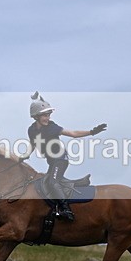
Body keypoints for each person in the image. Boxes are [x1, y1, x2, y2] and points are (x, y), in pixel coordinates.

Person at [27, 92, 106, 221]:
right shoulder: (32, 130)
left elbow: (73, 133)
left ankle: (66, 210)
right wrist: (23, 157)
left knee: (53, 182)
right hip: (51, 162)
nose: (48, 118)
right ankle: (79, 183)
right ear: (36, 116)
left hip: (60, 160)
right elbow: (32, 145)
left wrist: (92, 132)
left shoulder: (52, 127)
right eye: (45, 115)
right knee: (46, 182)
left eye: (49, 115)